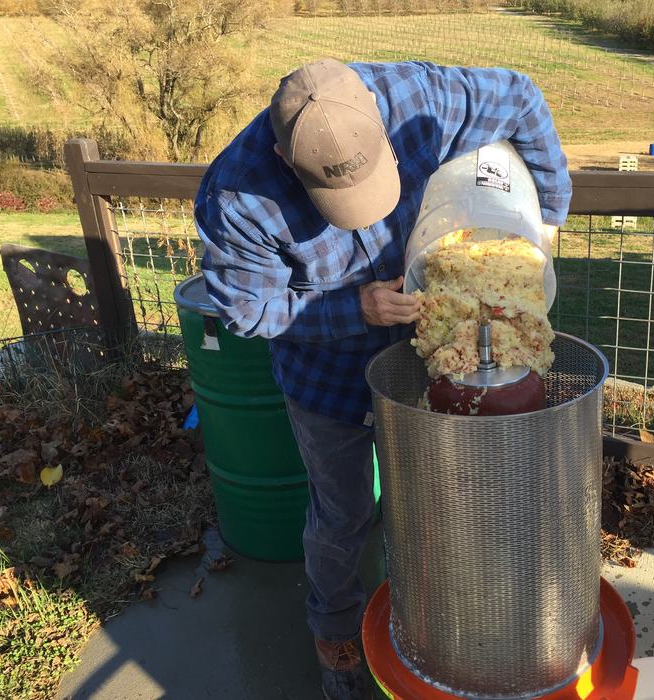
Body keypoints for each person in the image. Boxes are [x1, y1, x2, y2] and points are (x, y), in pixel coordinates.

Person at [194, 58, 571, 700]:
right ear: (286, 159)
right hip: (326, 375)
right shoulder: (237, 197)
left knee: (440, 497)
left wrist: (550, 215)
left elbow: (523, 96)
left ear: (379, 116)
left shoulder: (416, 94)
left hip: (427, 354)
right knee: (342, 513)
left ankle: (442, 614)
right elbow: (246, 310)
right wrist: (352, 308)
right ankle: (337, 637)